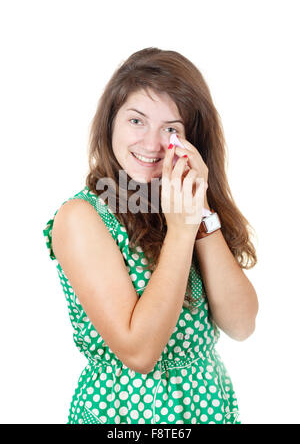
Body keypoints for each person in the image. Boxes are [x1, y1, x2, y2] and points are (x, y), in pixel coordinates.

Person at [43, 47, 259, 424]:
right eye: (137, 121)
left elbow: (241, 324)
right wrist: (180, 232)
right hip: (124, 416)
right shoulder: (81, 218)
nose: (152, 143)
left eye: (171, 129)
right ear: (111, 122)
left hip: (208, 411)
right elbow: (140, 352)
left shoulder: (182, 208)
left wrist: (199, 213)